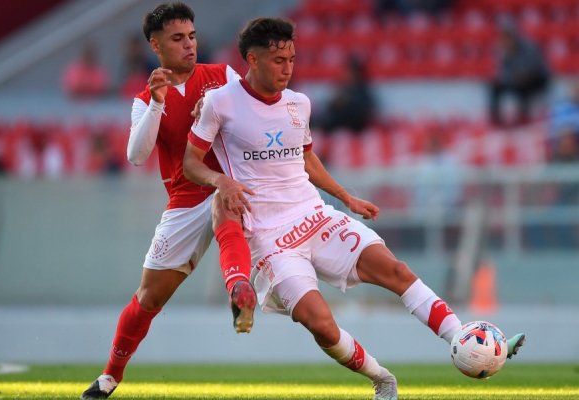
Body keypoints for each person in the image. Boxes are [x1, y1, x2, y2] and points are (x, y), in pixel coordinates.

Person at [183, 17, 526, 400]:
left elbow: (306, 159)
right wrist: (221, 181)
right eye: (278, 60)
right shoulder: (220, 103)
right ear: (253, 59)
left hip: (313, 215)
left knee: (396, 270)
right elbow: (191, 163)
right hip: (269, 236)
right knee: (322, 325)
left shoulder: (300, 103)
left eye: (292, 59)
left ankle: (464, 340)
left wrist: (346, 197)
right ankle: (383, 380)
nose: (287, 68)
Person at [80, 3, 256, 399]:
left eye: (192, 36)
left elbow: (254, 118)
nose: (189, 45)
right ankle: (109, 377)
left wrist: (218, 113)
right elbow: (136, 156)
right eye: (178, 39)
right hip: (184, 199)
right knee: (148, 297)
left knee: (227, 208)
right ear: (156, 46)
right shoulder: (146, 98)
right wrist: (159, 102)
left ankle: (239, 288)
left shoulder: (222, 77)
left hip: (232, 187)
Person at [489, 16, 550, 126]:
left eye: (508, 35)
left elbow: (536, 68)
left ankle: (523, 118)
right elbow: (503, 74)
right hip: (516, 80)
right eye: (504, 36)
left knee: (524, 86)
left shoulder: (529, 47)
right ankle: (497, 121)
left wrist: (520, 76)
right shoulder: (502, 51)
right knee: (495, 87)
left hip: (536, 80)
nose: (506, 39)